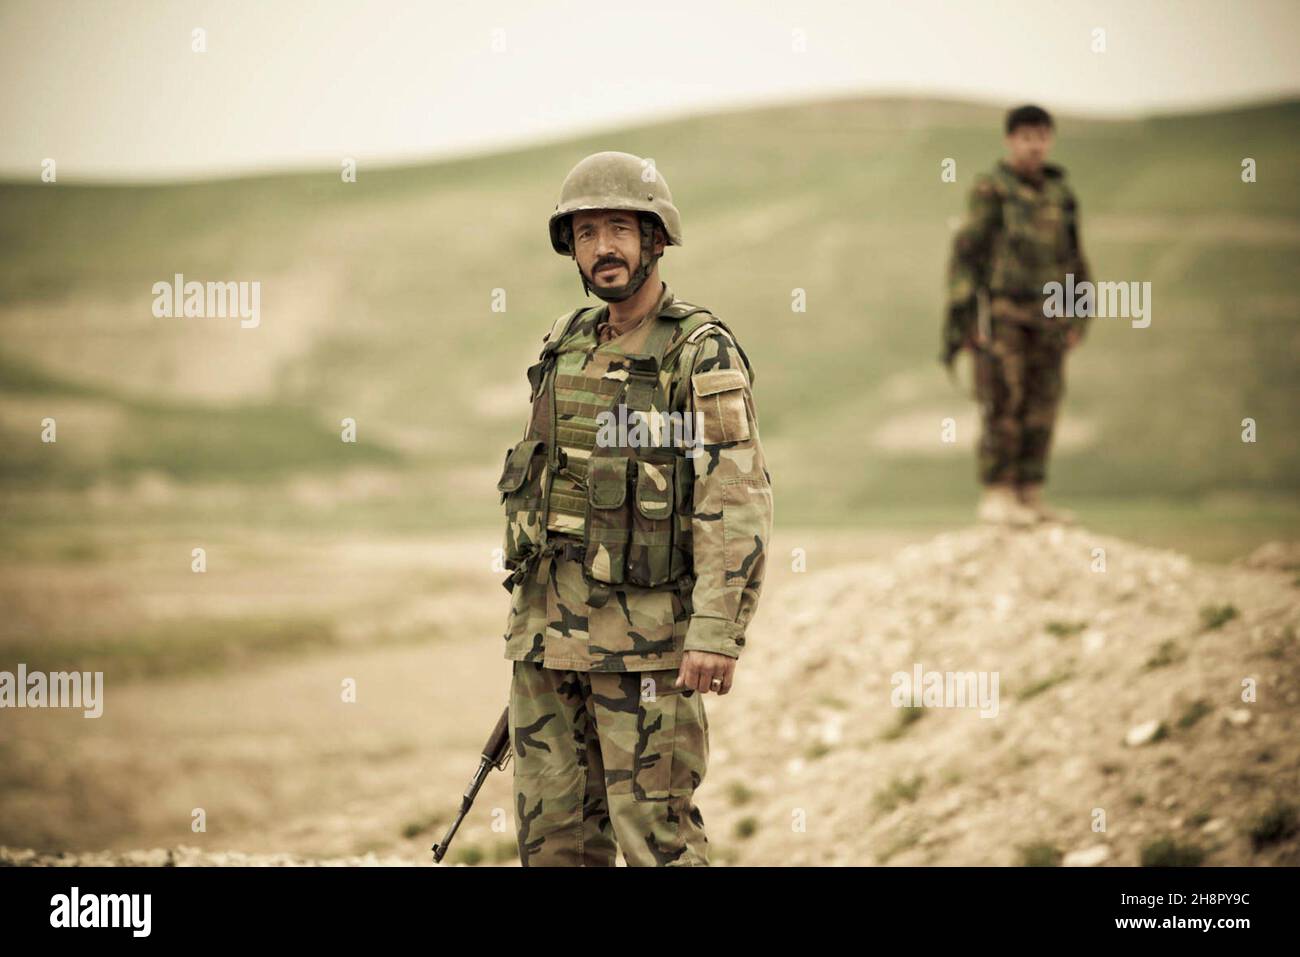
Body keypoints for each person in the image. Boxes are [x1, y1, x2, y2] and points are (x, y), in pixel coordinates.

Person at [496, 151, 773, 865]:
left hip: (647, 647)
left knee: (658, 841)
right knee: (553, 841)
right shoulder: (566, 343)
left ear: (655, 238)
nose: (602, 248)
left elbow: (733, 496)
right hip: (546, 642)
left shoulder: (698, 353)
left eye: (619, 228)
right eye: (586, 233)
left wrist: (716, 628)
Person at [943, 104, 1092, 525]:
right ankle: (998, 493)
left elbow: (1075, 258)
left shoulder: (1060, 194)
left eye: (1042, 136)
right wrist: (967, 319)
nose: (1035, 145)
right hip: (1003, 313)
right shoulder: (992, 190)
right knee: (1003, 401)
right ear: (1011, 140)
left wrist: (1078, 316)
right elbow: (966, 254)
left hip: (1051, 315)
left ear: (1051, 140)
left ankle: (1031, 493)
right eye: (1027, 137)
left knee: (1043, 403)